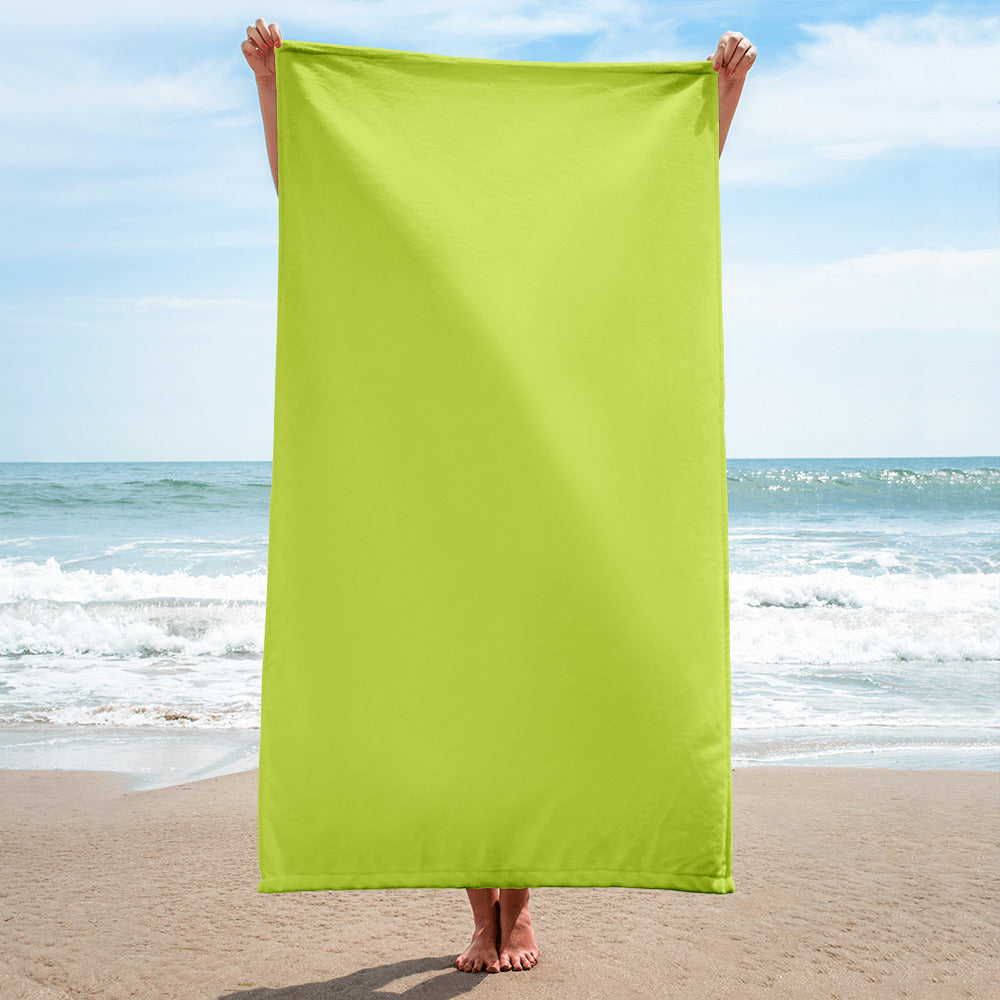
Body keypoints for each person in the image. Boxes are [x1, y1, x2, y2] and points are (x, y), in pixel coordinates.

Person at [242, 18, 755, 975]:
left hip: (541, 491)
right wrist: (277, 89)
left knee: (534, 699)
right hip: (439, 493)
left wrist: (717, 99)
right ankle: (484, 914)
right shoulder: (419, 257)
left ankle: (518, 909)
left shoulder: (545, 265)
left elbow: (653, 197)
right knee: (462, 700)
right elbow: (319, 196)